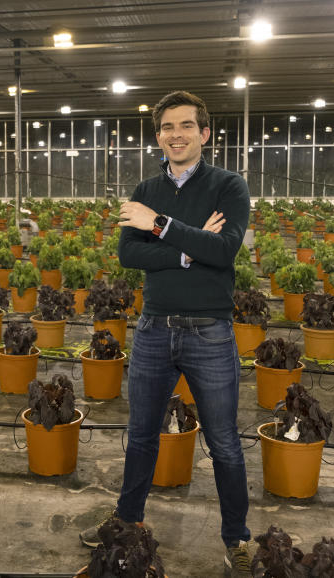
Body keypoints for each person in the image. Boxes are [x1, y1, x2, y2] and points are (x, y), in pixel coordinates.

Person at [78, 90, 252, 577]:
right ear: (158, 136)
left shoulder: (228, 187)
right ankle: (127, 521)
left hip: (210, 331)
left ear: (205, 133)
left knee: (224, 443)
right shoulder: (146, 186)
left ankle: (237, 538)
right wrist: (186, 246)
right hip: (154, 328)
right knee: (140, 436)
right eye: (168, 127)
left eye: (186, 126)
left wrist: (158, 225)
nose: (177, 134)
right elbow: (128, 255)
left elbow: (225, 251)